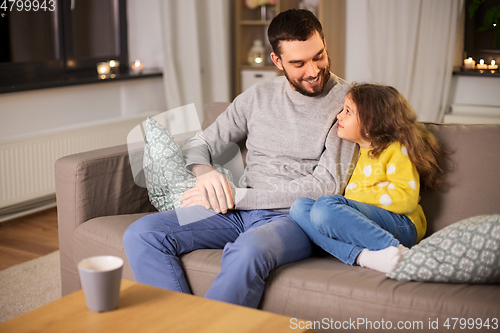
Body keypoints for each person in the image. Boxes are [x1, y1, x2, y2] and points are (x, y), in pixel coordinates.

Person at [123, 9, 358, 308]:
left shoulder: (348, 103)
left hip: (295, 219)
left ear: (324, 43)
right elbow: (202, 141)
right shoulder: (257, 96)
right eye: (298, 63)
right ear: (277, 61)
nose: (313, 71)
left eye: (319, 56)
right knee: (142, 234)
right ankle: (180, 324)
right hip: (235, 212)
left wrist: (239, 196)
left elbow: (326, 186)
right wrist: (203, 171)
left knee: (248, 250)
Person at [289, 83, 445, 274]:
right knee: (299, 207)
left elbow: (407, 198)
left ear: (372, 122)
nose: (339, 116)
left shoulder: (395, 149)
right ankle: (364, 257)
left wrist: (347, 204)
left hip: (402, 225)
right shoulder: (355, 152)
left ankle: (400, 252)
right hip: (365, 223)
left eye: (348, 112)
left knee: (325, 208)